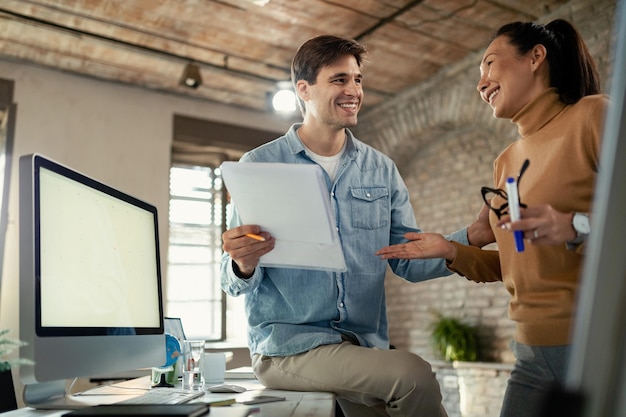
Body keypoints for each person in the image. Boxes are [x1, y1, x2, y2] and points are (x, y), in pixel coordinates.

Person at [220, 35, 472, 417]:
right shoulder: (258, 165)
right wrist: (244, 264)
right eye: (339, 79)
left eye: (358, 80)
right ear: (304, 89)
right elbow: (231, 279)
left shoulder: (381, 169)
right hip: (290, 348)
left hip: (362, 348)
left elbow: (408, 260)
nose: (353, 90)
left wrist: (472, 239)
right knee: (414, 376)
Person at [376, 19, 608, 417]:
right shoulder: (506, 163)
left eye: (489, 64)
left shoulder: (593, 117)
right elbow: (511, 263)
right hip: (531, 353)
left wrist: (575, 225)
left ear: (536, 57)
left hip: (593, 345)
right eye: (479, 74)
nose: (481, 83)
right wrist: (451, 250)